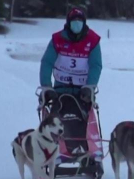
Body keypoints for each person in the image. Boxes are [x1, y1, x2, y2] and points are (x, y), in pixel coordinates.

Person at [39, 8, 103, 157]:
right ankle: (56, 150)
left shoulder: (92, 40)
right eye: (74, 21)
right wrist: (46, 86)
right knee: (56, 120)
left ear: (84, 23)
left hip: (82, 91)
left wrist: (90, 86)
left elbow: (96, 65)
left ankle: (88, 150)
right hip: (60, 89)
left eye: (80, 21)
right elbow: (47, 62)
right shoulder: (57, 39)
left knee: (83, 120)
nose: (77, 24)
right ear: (68, 23)